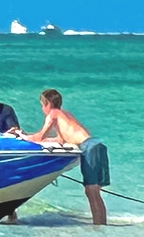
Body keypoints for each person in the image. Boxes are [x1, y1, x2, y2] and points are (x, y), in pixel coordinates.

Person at [26, 87, 109, 225]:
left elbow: (39, 136)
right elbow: (60, 140)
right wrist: (43, 140)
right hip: (97, 145)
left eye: (42, 105)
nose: (42, 109)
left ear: (48, 104)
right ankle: (101, 226)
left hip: (89, 147)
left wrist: (23, 136)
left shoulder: (53, 114)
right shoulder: (65, 115)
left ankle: (98, 226)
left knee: (91, 191)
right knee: (94, 192)